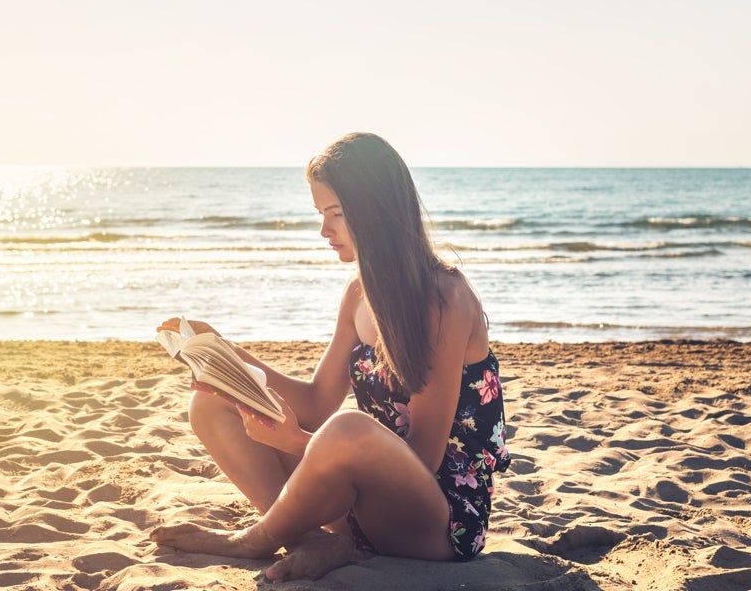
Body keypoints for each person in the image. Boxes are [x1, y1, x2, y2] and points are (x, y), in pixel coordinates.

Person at [151, 132, 510, 581]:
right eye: (320, 214)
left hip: (437, 524)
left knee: (349, 428)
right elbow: (318, 400)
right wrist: (225, 354)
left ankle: (256, 539)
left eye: (336, 214)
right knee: (209, 401)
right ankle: (314, 542)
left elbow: (422, 459)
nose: (324, 230)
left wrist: (297, 443)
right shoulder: (359, 294)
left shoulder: (444, 300)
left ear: (376, 211)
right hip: (364, 506)